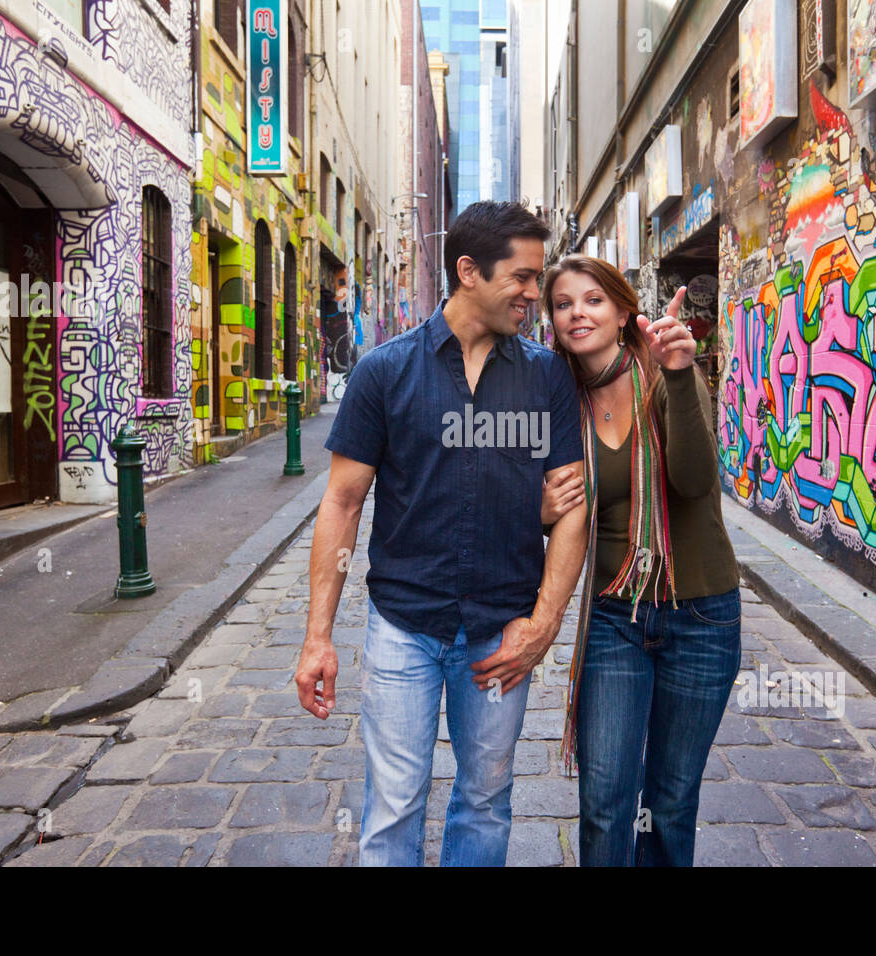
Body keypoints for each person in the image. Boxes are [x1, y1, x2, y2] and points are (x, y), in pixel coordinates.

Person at [295, 201, 588, 867]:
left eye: (538, 279)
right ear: (468, 272)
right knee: (394, 804)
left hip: (501, 631)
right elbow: (342, 501)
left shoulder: (546, 378)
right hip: (405, 628)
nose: (533, 295)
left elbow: (572, 506)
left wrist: (542, 625)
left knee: (486, 802)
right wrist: (318, 637)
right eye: (522, 277)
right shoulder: (385, 371)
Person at [539, 254, 741, 867]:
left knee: (672, 803)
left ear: (625, 309)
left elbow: (695, 479)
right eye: (563, 302)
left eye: (594, 299)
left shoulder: (666, 372)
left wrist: (681, 375)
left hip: (700, 615)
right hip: (613, 618)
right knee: (604, 804)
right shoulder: (553, 397)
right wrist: (540, 510)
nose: (578, 312)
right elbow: (525, 496)